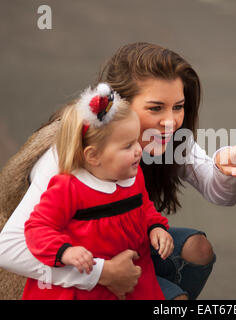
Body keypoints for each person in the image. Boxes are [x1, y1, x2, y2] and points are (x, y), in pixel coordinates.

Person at [0, 42, 236, 300]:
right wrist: (102, 274)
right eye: (155, 108)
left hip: (125, 250)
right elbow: (8, 249)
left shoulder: (167, 137)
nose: (170, 121)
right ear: (118, 105)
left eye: (178, 107)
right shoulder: (74, 150)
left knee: (196, 249)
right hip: (61, 272)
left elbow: (222, 197)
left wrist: (225, 169)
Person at [22, 83, 173, 300]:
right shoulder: (69, 188)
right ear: (93, 156)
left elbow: (144, 208)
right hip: (86, 287)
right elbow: (37, 227)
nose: (139, 149)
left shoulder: (133, 176)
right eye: (127, 146)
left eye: (136, 140)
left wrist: (156, 227)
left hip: (135, 276)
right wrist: (65, 251)